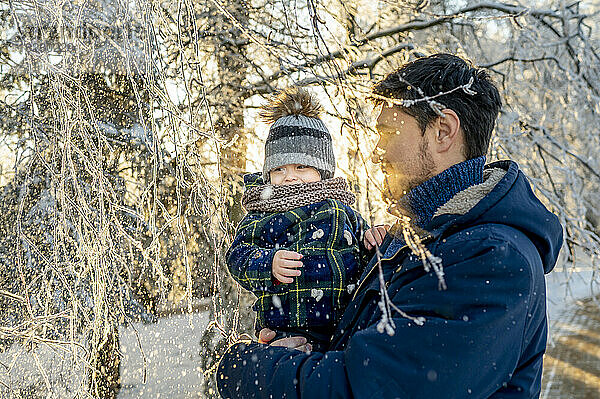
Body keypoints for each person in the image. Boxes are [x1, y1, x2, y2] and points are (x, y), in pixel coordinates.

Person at [217, 53, 563, 398]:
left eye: (387, 132)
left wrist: (249, 367)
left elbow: (368, 387)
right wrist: (296, 345)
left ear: (443, 131)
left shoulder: (491, 258)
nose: (376, 151)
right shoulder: (416, 241)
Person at [226, 87, 388, 352]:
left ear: (322, 170)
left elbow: (365, 245)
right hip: (286, 326)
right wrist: (268, 264)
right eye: (279, 169)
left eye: (301, 167)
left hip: (344, 324)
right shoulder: (264, 210)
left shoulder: (341, 209)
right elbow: (237, 256)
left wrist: (375, 238)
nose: (290, 176)